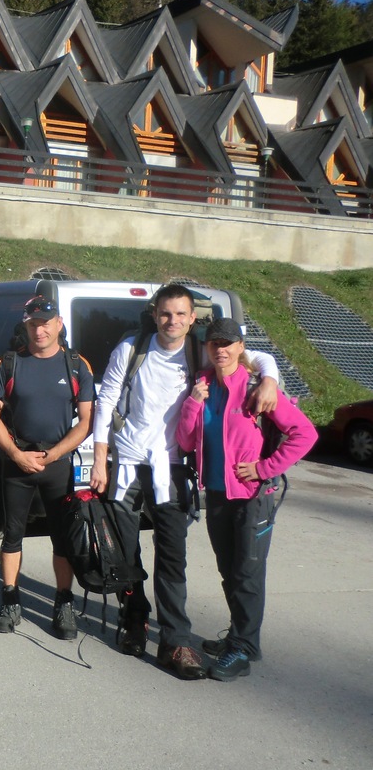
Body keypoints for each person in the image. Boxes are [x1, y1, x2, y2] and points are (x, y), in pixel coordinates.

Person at [91, 283, 280, 679]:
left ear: (193, 318)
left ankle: (175, 640)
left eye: (180, 314)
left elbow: (253, 356)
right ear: (154, 314)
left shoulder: (200, 351)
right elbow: (106, 400)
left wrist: (270, 379)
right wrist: (99, 461)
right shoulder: (131, 349)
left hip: (173, 468)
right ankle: (134, 618)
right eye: (165, 313)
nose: (172, 321)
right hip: (127, 463)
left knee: (172, 557)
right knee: (124, 553)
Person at [175, 317, 316, 681]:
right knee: (229, 571)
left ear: (240, 347)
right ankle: (239, 637)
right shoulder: (203, 385)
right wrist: (193, 403)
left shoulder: (257, 388)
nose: (220, 349)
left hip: (253, 497)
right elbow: (186, 441)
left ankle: (243, 649)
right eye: (214, 343)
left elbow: (305, 433)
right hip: (216, 494)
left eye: (227, 343)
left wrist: (265, 468)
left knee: (247, 574)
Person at [0, 296, 95, 640]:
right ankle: (10, 600)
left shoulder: (76, 365)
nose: (39, 330)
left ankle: (63, 602)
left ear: (58, 324)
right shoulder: (10, 362)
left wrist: (54, 454)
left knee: (62, 538)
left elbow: (86, 421)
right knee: (12, 535)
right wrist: (16, 454)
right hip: (18, 462)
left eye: (45, 323)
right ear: (26, 326)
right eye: (33, 324)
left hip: (57, 464)